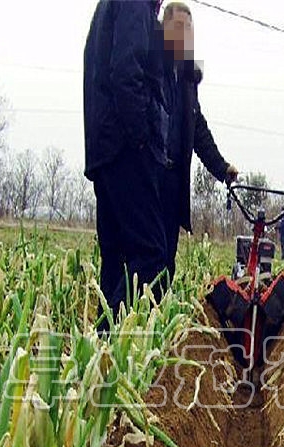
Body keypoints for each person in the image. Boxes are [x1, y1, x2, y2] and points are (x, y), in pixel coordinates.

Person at [84, 0, 171, 323]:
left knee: (117, 258)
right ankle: (116, 343)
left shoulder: (108, 6)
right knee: (150, 256)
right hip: (126, 149)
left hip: (104, 148)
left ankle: (99, 360)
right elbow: (125, 72)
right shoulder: (135, 4)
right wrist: (141, 137)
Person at [160, 2, 238, 285]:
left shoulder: (187, 77)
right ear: (163, 28)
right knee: (145, 256)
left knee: (166, 259)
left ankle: (157, 317)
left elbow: (198, 130)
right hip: (148, 177)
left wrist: (221, 167)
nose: (184, 34)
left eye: (188, 29)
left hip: (172, 181)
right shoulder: (154, 67)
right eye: (178, 26)